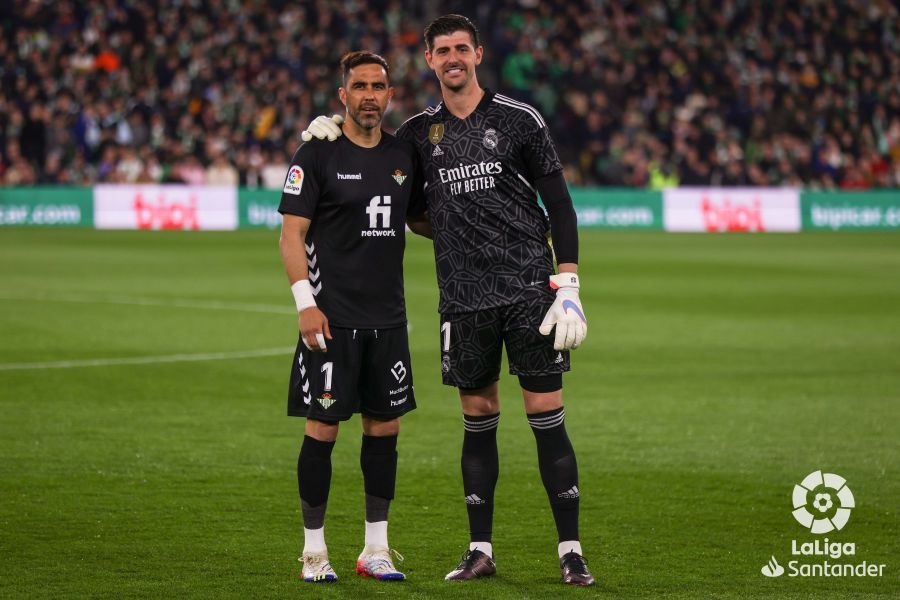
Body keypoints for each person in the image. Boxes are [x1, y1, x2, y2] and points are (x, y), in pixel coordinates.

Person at [301, 14, 593, 586]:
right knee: (477, 417)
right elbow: (379, 166)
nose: (453, 57)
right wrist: (332, 128)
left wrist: (570, 283)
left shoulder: (519, 120)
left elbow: (559, 204)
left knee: (545, 415)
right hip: (462, 299)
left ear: (478, 55)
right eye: (442, 50)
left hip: (531, 290)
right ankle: (479, 549)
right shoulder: (415, 134)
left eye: (462, 48)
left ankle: (571, 550)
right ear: (430, 60)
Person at [278, 50, 427, 584]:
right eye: (359, 86)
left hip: (388, 321)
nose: (369, 95)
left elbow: (424, 219)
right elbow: (291, 235)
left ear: (390, 95)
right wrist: (305, 304)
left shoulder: (405, 155)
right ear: (343, 96)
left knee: (384, 429)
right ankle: (314, 552)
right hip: (331, 321)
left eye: (379, 86)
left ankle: (376, 548)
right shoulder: (315, 154)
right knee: (323, 430)